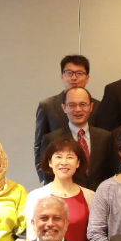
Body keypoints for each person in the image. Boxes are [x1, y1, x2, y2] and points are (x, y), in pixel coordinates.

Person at [34, 55, 98, 183]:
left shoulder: (98, 106)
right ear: (62, 76)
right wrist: (46, 180)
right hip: (60, 181)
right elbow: (39, 146)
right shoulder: (48, 106)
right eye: (69, 73)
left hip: (94, 182)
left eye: (79, 73)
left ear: (87, 78)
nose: (74, 78)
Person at [40, 86, 114, 191]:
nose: (78, 109)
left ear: (91, 107)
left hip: (100, 196)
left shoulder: (106, 137)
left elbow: (111, 170)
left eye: (83, 104)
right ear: (64, 108)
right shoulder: (51, 139)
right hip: (66, 196)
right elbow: (48, 173)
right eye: (72, 105)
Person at [26, 139, 95, 241]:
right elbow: (31, 237)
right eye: (58, 157)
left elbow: (95, 236)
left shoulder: (90, 196)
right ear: (50, 162)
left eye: (70, 157)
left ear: (78, 163)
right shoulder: (35, 196)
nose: (64, 162)